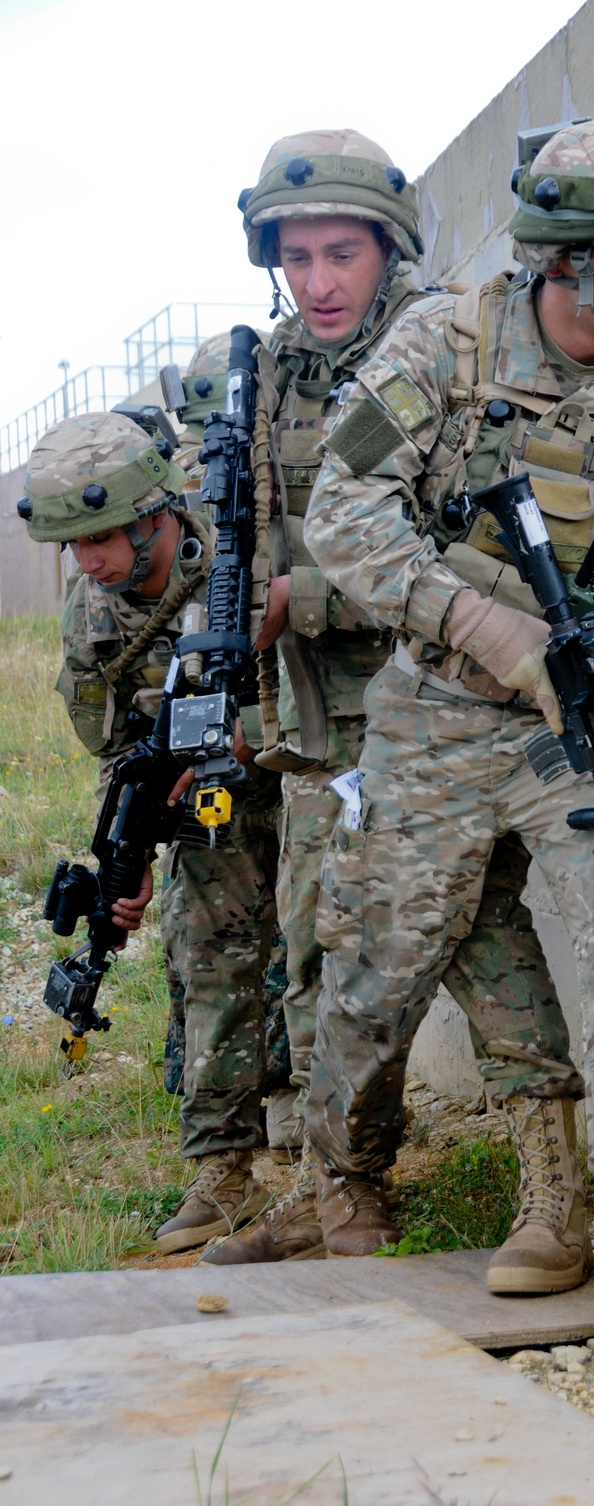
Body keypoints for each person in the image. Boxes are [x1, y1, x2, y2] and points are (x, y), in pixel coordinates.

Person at [301, 119, 594, 1384]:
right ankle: (341, 1174)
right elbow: (340, 510)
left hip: (577, 728)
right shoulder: (444, 345)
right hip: (437, 710)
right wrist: (477, 619)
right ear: (561, 262)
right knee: (377, 961)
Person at [201, 130, 584, 1279]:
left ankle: (556, 1196)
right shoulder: (271, 371)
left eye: (338, 254)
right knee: (326, 959)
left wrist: (301, 601)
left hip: (441, 713)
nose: (316, 282)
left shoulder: (445, 352)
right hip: (322, 728)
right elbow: (251, 537)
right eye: (295, 258)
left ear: (387, 249)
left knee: (482, 947)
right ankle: (342, 1196)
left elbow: (464, 554)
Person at [19, 410, 282, 1253]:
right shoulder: (90, 613)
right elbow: (115, 747)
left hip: (300, 770)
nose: (86, 562)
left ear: (152, 514)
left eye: (98, 538)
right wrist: (126, 852)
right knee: (205, 955)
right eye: (72, 545)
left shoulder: (240, 554)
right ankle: (223, 1170)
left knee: (322, 956)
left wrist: (246, 731)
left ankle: (335, 1167)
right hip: (200, 801)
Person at [161, 334, 298, 1163]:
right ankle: (223, 1136)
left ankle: (301, 1118)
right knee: (214, 935)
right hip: (228, 752)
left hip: (305, 737)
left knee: (304, 941)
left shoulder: (300, 491)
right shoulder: (184, 523)